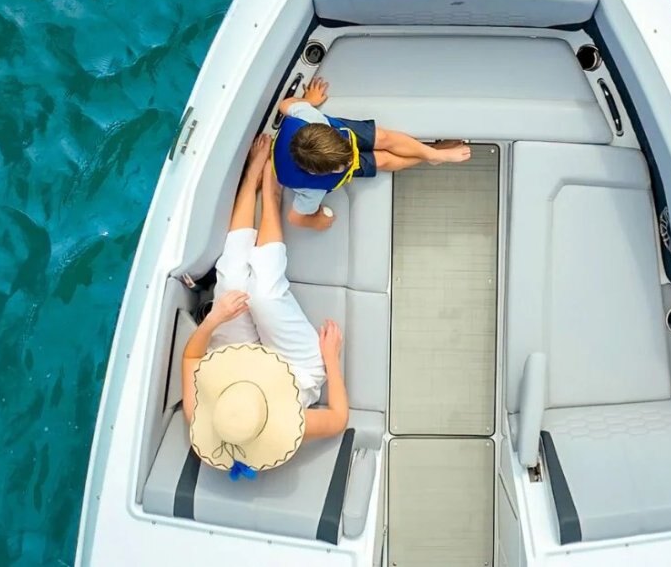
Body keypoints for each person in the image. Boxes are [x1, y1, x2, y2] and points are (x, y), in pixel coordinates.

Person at [181, 136, 349, 473]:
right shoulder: (285, 426)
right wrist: (330, 358)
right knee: (265, 295)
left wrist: (215, 319)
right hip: (297, 371)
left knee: (231, 283)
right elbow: (338, 419)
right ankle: (271, 199)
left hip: (234, 363)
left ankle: (251, 178)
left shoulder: (211, 412)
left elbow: (191, 357)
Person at [274, 76, 471, 231]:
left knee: (384, 137)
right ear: (318, 174)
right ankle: (433, 154)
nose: (351, 159)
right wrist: (316, 222)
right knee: (383, 160)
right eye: (343, 166)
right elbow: (295, 218)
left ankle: (433, 155)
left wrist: (308, 101)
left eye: (348, 156)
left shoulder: (309, 116)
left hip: (341, 137)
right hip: (323, 156)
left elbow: (285, 105)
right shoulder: (311, 190)